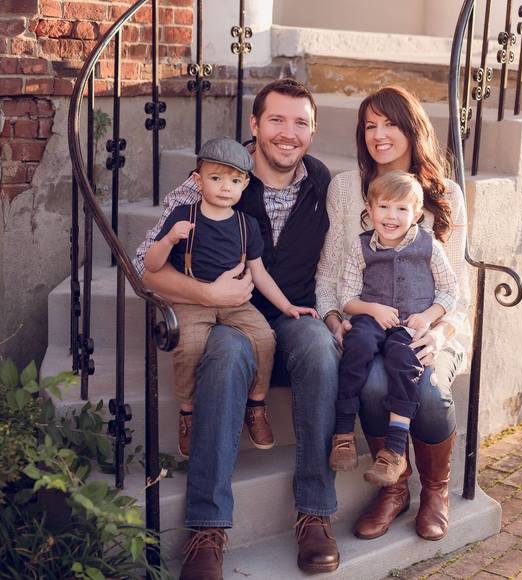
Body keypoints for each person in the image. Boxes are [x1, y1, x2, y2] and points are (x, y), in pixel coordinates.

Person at [133, 79, 341, 579]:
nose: (288, 133)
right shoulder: (214, 176)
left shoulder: (321, 183)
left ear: (313, 131)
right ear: (254, 124)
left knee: (319, 347)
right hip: (226, 316)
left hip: (290, 312)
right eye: (276, 120)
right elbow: (143, 266)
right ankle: (207, 529)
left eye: (300, 123)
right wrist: (209, 295)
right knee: (225, 355)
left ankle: (315, 513)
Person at [316, 85, 470, 542]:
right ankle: (394, 487)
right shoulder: (346, 188)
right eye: (370, 126)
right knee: (372, 382)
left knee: (428, 391)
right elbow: (329, 273)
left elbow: (457, 290)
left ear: (412, 129)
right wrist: (334, 319)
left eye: (390, 124)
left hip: (430, 327)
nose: (379, 135)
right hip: (369, 324)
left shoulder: (445, 194)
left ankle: (435, 491)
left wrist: (438, 334)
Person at [144, 137, 318, 458]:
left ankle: (256, 404)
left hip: (236, 302)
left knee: (264, 337)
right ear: (198, 180)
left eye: (235, 181)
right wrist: (168, 240)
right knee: (189, 345)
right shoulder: (184, 215)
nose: (226, 187)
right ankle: (188, 412)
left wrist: (287, 305)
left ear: (245, 184)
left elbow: (259, 272)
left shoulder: (245, 224)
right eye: (216, 178)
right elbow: (151, 265)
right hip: (192, 300)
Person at [329, 171, 457, 488]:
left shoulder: (429, 247)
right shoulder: (360, 247)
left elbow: (449, 291)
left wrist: (428, 316)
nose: (391, 216)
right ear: (370, 209)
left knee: (405, 362)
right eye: (384, 206)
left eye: (402, 209)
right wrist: (372, 309)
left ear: (417, 214)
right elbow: (347, 297)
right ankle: (343, 433)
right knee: (356, 347)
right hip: (371, 319)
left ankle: (395, 451)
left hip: (411, 325)